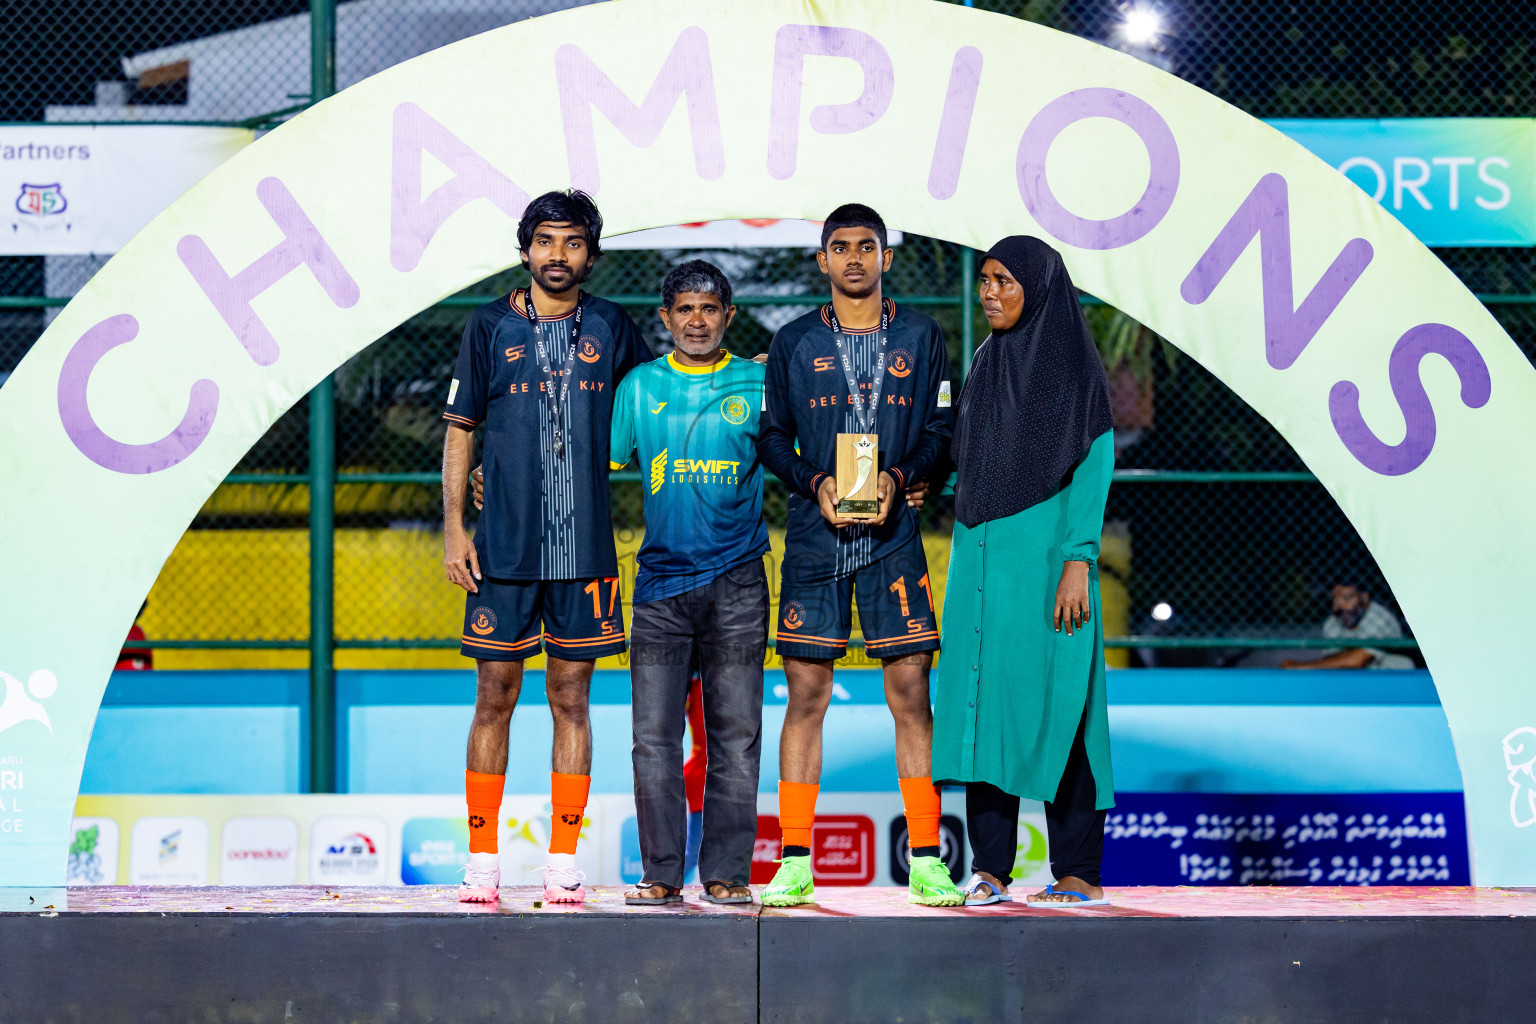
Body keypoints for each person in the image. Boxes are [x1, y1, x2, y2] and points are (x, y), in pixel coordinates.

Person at [442, 189, 652, 904]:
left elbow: (658, 397)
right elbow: (461, 429)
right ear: (525, 248)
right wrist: (453, 528)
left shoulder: (615, 327)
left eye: (571, 243)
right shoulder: (487, 325)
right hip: (501, 549)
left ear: (590, 253)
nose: (557, 256)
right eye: (545, 242)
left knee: (572, 697)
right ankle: (481, 860)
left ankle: (563, 859)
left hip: (586, 550)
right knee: (492, 695)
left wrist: (729, 373)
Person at [756, 204, 961, 907]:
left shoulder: (920, 334)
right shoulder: (792, 342)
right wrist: (815, 482)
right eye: (839, 247)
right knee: (805, 696)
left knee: (911, 694)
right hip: (817, 538)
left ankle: (928, 857)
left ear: (885, 257)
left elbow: (940, 429)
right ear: (821, 260)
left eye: (865, 246)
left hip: (894, 534)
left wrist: (899, 478)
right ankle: (794, 859)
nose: (853, 259)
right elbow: (773, 439)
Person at [931, 236, 1117, 909]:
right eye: (985, 281)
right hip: (981, 567)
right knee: (986, 711)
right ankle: (990, 869)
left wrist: (1078, 559)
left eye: (1005, 281)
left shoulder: (1073, 366)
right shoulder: (987, 360)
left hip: (1047, 570)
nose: (990, 294)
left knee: (1062, 707)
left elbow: (1094, 466)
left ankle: (1077, 870)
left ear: (1037, 286)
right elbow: (968, 451)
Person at [604, 259, 770, 906]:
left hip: (738, 585)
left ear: (728, 316)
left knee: (736, 736)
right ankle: (661, 874)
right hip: (660, 590)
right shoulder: (638, 388)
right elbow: (600, 467)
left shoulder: (760, 385)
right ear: (666, 317)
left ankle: (727, 873)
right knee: (653, 740)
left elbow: (800, 455)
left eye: (709, 309)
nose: (696, 320)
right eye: (685, 309)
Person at [1282, 582, 1415, 670]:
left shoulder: (1379, 618)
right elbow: (1331, 661)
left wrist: (1299, 667)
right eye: (1335, 599)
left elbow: (1359, 660)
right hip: (1352, 680)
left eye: (1347, 598)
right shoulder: (1333, 622)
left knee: (1402, 664)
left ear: (1364, 599)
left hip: (1388, 681)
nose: (1340, 607)